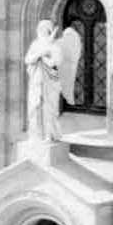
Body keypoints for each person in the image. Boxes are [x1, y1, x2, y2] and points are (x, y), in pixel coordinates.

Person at [23, 13, 74, 146]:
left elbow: (56, 63)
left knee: (49, 108)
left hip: (51, 80)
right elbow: (27, 60)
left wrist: (45, 57)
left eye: (43, 29)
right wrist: (39, 54)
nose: (40, 31)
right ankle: (36, 134)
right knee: (35, 106)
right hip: (36, 80)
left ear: (48, 31)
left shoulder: (55, 46)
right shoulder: (35, 44)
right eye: (39, 29)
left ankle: (49, 135)